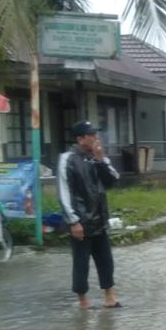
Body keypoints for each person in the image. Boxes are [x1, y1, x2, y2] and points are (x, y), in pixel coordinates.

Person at [58, 121, 121, 309]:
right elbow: (64, 191)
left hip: (99, 220)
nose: (96, 138)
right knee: (81, 263)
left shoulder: (97, 157)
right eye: (91, 135)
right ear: (80, 139)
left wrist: (101, 160)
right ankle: (83, 301)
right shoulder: (67, 159)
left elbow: (113, 180)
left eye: (95, 134)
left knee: (106, 261)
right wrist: (73, 221)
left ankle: (110, 297)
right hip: (81, 222)